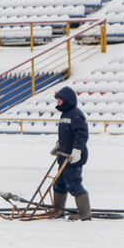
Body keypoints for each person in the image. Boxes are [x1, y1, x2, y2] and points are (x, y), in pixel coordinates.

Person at [50, 86, 91, 221]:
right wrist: (58, 144)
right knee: (59, 183)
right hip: (63, 156)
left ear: (66, 100)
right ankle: (58, 210)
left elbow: (81, 135)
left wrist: (77, 150)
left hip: (73, 158)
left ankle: (84, 213)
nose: (58, 103)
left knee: (73, 183)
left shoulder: (76, 114)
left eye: (60, 100)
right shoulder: (65, 115)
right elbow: (65, 135)